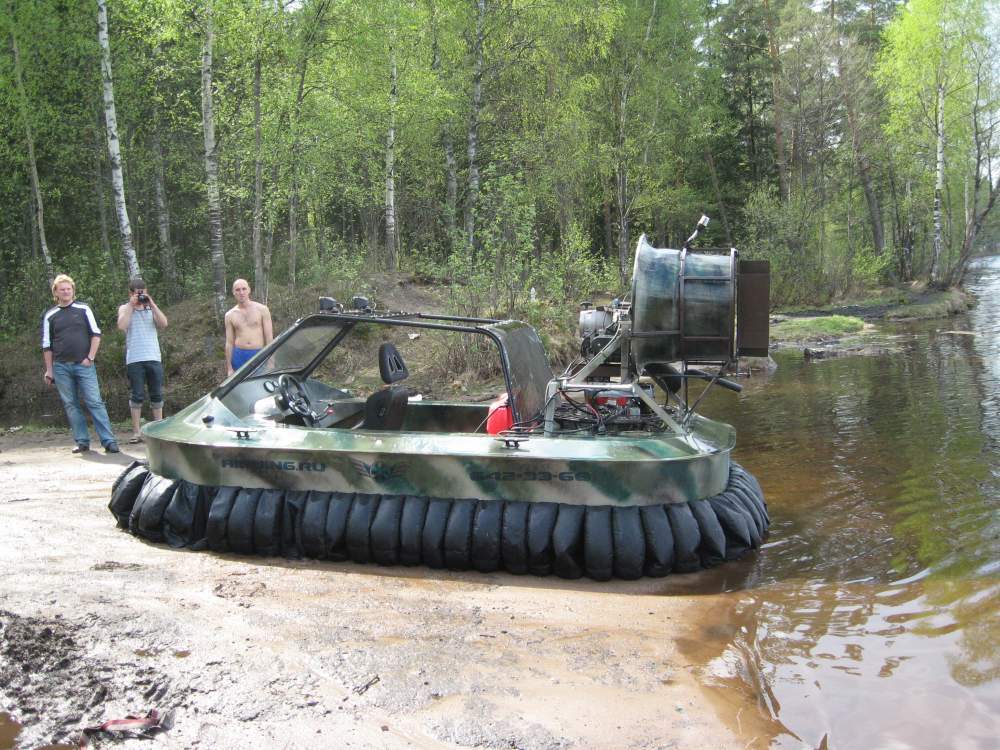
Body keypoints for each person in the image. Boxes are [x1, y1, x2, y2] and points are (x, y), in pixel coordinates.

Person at [41, 274, 120, 454]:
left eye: (69, 289)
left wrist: (90, 358)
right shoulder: (50, 315)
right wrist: (49, 370)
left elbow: (96, 334)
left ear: (73, 290)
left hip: (84, 364)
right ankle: (82, 441)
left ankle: (108, 441)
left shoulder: (83, 309)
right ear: (56, 292)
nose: (66, 292)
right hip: (61, 366)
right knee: (70, 404)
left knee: (95, 402)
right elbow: (47, 345)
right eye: (62, 289)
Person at [117, 278, 168, 444]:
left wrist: (152, 304)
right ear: (131, 293)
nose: (140, 296)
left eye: (143, 293)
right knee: (137, 395)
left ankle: (158, 430)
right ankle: (136, 432)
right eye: (137, 293)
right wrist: (132, 306)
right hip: (134, 358)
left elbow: (164, 323)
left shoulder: (150, 308)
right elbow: (122, 326)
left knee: (157, 394)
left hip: (153, 356)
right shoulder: (125, 308)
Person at [225, 278, 273, 376]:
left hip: (258, 354)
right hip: (238, 355)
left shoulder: (262, 310)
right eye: (237, 290)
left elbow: (269, 338)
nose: (241, 292)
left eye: (244, 289)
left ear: (249, 290)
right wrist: (229, 368)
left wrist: (271, 361)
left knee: (259, 386)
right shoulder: (229, 315)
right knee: (241, 387)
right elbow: (229, 343)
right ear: (233, 292)